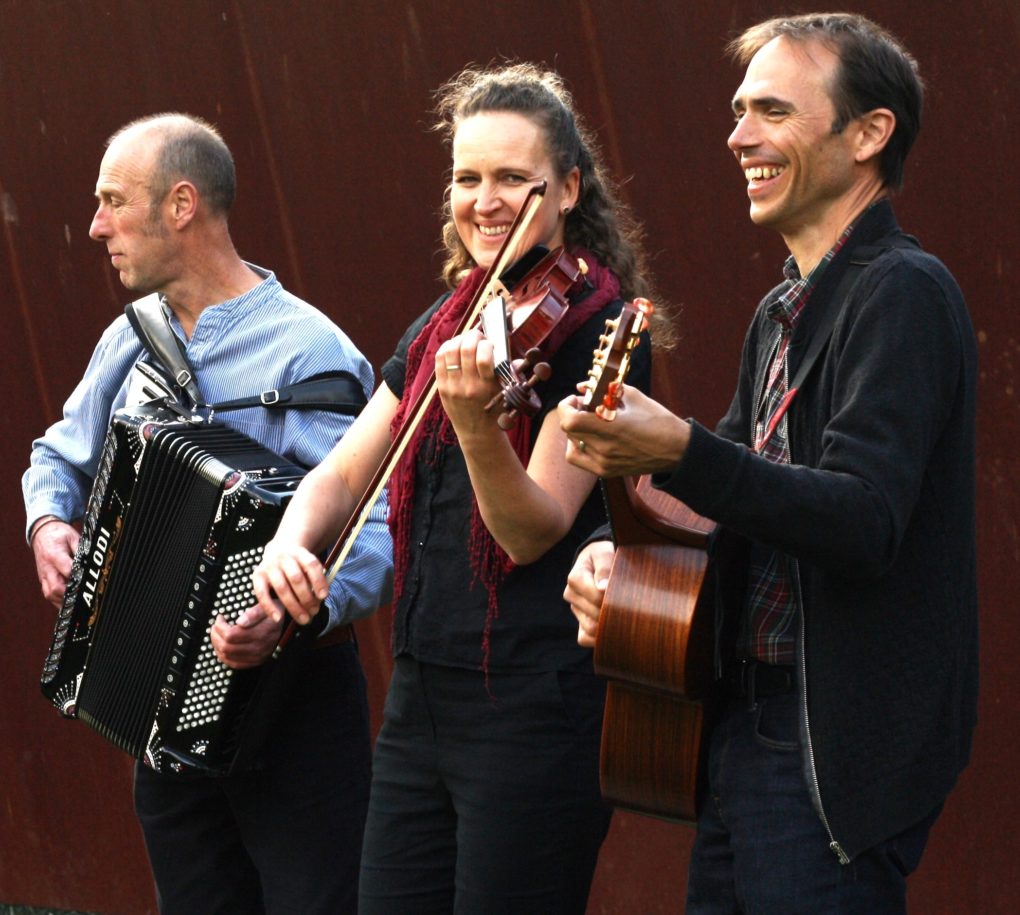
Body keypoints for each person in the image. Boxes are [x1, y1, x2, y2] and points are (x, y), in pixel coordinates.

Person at [559, 13, 977, 914]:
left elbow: (863, 519)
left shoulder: (903, 291)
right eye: (740, 109)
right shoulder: (780, 308)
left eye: (773, 111)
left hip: (825, 750)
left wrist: (679, 448)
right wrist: (615, 547)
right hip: (748, 730)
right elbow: (725, 502)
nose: (738, 135)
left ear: (868, 134)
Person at [252, 63, 659, 913]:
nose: (486, 199)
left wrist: (478, 424)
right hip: (421, 695)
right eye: (468, 178)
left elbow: (532, 528)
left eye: (514, 178)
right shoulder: (449, 321)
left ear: (569, 188)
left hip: (532, 708)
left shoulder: (597, 332)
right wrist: (292, 541)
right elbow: (343, 469)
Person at [23, 113, 392, 915]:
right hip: (161, 713)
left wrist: (296, 607)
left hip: (295, 708)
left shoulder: (308, 352)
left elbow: (370, 530)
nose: (95, 226)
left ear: (181, 205)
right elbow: (58, 453)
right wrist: (49, 524)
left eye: (113, 201)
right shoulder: (132, 339)